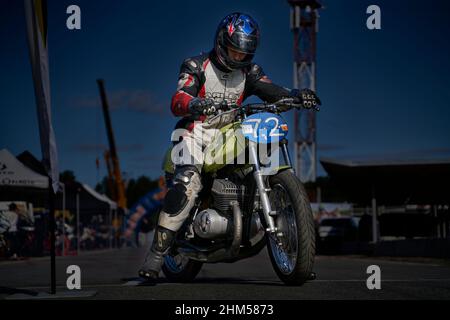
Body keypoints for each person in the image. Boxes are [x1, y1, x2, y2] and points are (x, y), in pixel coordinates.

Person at [139, 12, 321, 280]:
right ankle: (156, 255)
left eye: (243, 53)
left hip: (230, 132)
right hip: (195, 133)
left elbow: (272, 90)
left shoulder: (250, 72)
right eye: (233, 51)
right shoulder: (195, 65)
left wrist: (295, 96)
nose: (238, 57)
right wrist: (194, 103)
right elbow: (179, 98)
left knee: (253, 158)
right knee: (187, 182)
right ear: (222, 42)